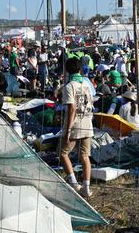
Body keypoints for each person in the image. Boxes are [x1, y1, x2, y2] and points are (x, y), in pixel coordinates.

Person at [58, 56, 94, 198]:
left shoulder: (69, 86)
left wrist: (67, 130)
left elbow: (72, 109)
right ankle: (86, 187)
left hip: (75, 124)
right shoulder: (86, 84)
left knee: (63, 153)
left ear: (67, 71)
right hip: (87, 122)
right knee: (85, 156)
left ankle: (74, 184)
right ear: (79, 69)